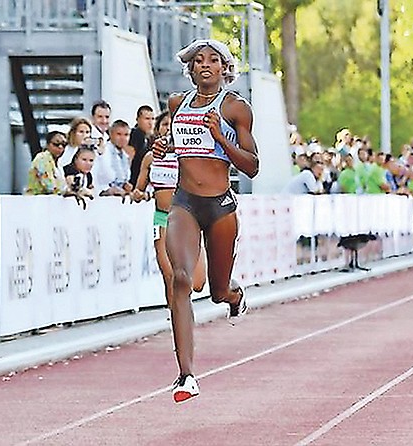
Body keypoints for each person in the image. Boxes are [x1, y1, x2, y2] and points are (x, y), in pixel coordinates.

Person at [152, 39, 259, 403]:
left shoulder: (235, 108)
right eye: (198, 60)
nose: (205, 65)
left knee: (216, 291)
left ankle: (234, 295)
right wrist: (162, 146)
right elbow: (167, 139)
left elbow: (252, 166)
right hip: (184, 204)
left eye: (213, 60)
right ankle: (186, 376)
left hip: (220, 206)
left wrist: (220, 138)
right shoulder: (176, 104)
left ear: (224, 68)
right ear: (191, 69)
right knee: (180, 279)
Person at [132, 110, 207, 316]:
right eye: (165, 124)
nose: (169, 128)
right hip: (162, 219)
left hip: (188, 220)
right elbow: (138, 188)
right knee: (170, 275)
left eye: (173, 125)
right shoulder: (149, 158)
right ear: (158, 129)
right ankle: (178, 322)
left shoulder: (190, 156)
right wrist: (138, 194)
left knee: (197, 283)